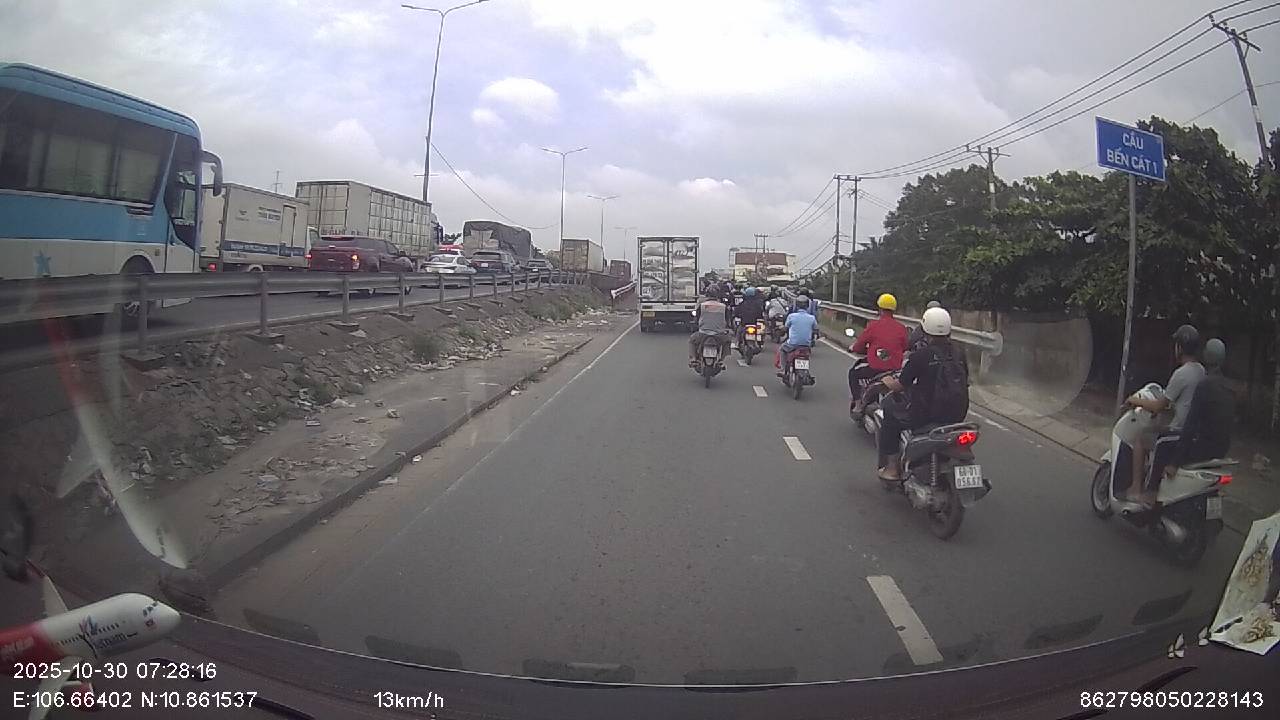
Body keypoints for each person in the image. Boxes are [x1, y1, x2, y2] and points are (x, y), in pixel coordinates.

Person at [876, 307, 970, 480]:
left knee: (889, 414)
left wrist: (888, 382)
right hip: (958, 414)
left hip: (926, 414)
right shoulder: (959, 353)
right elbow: (966, 380)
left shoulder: (921, 356)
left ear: (925, 330)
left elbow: (901, 385)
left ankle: (892, 468)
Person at [1123, 324, 1205, 507]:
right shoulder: (1200, 371)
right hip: (1193, 433)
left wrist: (1135, 400)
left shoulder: (1181, 373)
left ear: (1180, 347)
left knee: (1141, 439)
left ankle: (1137, 490)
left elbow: (1158, 407)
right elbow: (1180, 401)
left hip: (1178, 431)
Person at [1152, 337, 1234, 485]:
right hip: (1222, 449)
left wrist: (1174, 463)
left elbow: (1191, 424)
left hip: (1202, 446)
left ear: (1207, 356)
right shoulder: (1228, 387)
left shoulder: (1204, 385)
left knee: (1161, 443)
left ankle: (1151, 490)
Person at [849, 293, 910, 414]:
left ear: (880, 309)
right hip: (894, 370)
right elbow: (905, 347)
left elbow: (859, 345)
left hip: (875, 369)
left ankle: (858, 403)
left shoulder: (873, 326)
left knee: (853, 374)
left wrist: (853, 348)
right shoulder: (901, 328)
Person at [689, 289, 732, 367]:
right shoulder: (723, 307)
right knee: (728, 341)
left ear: (707, 296)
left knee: (692, 340)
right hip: (719, 334)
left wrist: (696, 324)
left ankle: (693, 359)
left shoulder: (702, 306)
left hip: (703, 333)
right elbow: (728, 320)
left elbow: (696, 318)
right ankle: (722, 360)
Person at [776, 300, 817, 375]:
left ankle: (783, 369)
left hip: (792, 344)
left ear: (797, 306)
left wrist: (781, 329)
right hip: (806, 344)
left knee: (782, 349)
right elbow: (816, 329)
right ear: (807, 306)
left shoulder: (791, 316)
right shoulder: (812, 318)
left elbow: (785, 328)